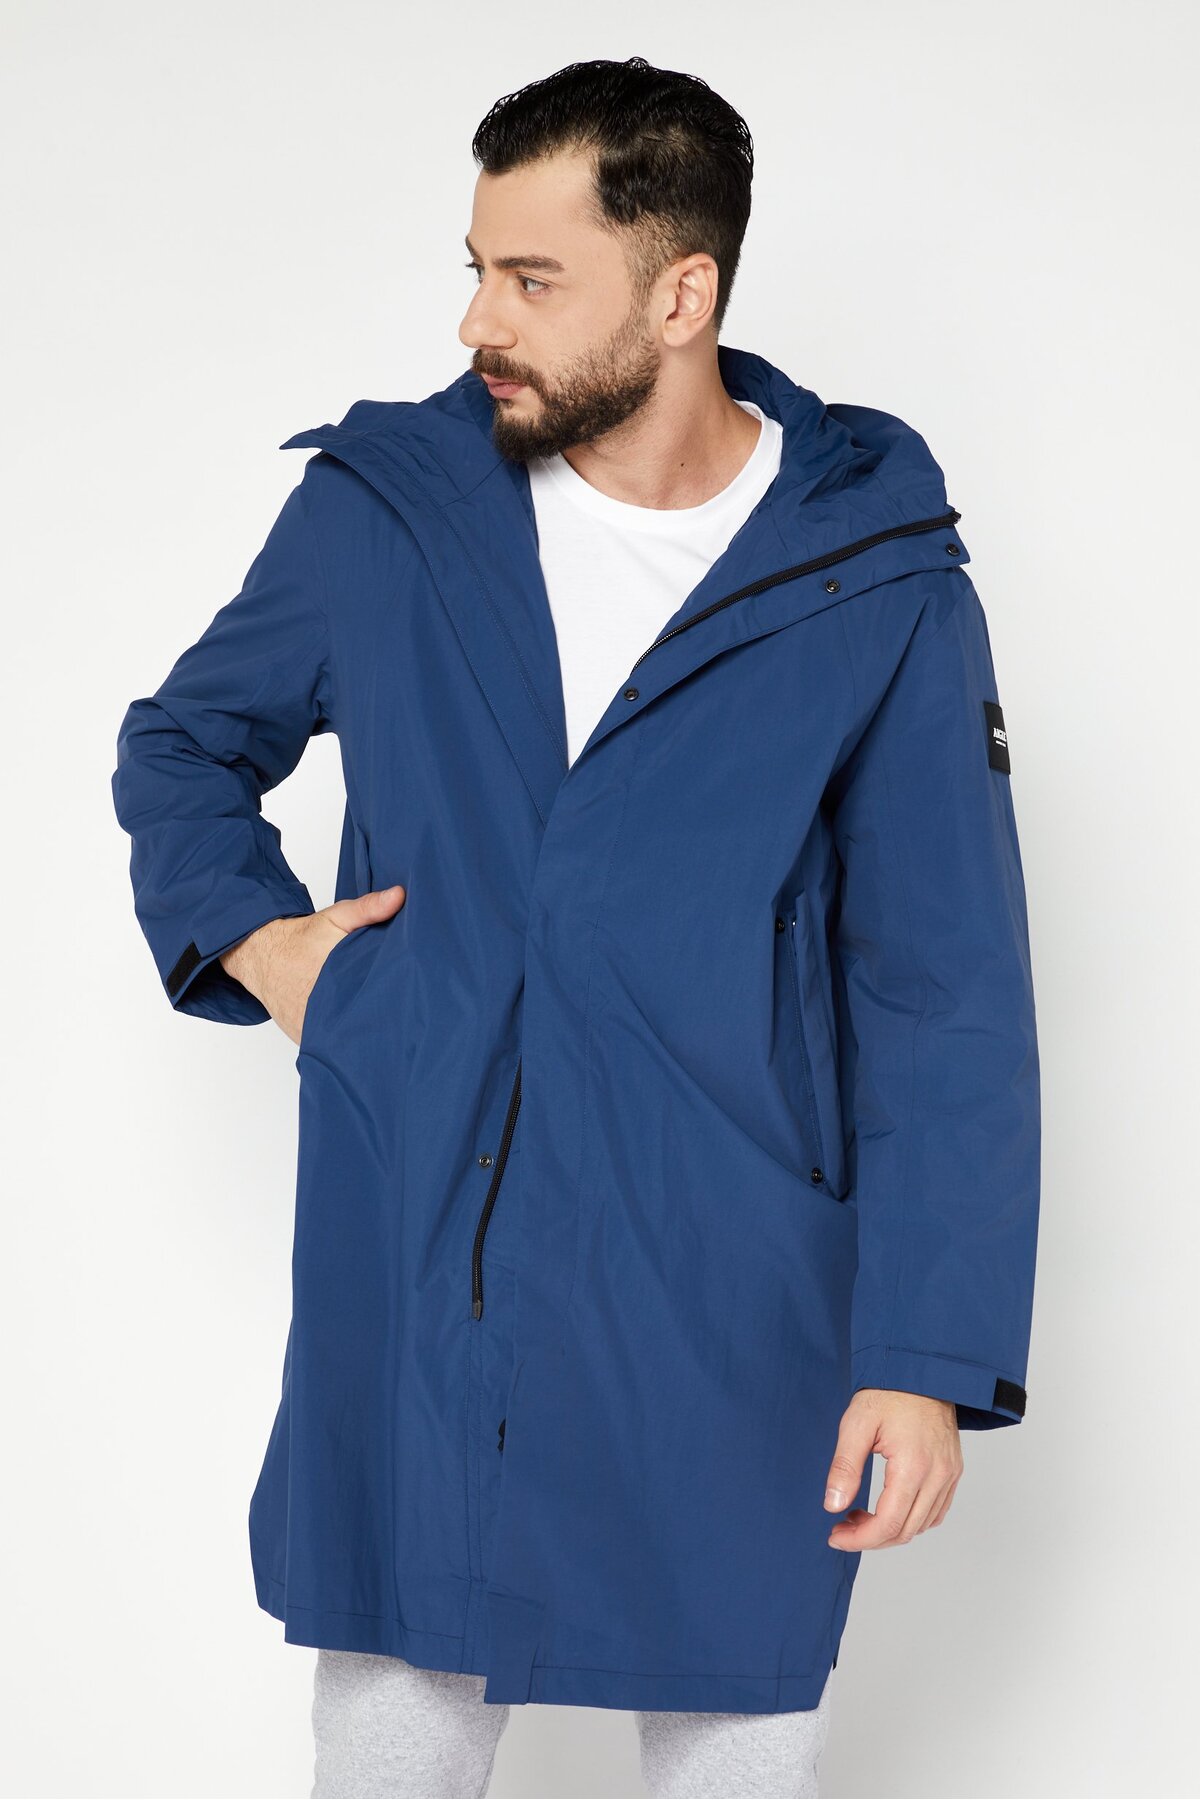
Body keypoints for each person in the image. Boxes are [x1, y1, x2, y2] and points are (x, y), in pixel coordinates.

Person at [112, 55, 1041, 1800]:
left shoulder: (874, 572)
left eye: (532, 280)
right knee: (391, 1754)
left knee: (737, 1753)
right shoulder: (391, 511)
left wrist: (926, 1360)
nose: (479, 320)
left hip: (737, 1295)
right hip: (424, 1262)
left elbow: (943, 989)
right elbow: (184, 745)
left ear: (682, 295)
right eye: (475, 267)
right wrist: (265, 944)